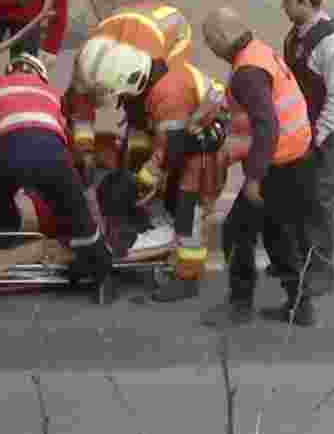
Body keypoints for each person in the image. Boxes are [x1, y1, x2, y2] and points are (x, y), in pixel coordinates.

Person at [0, 53, 112, 310]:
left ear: (9, 73)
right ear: (41, 76)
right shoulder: (52, 95)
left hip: (9, 155)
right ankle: (102, 276)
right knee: (78, 218)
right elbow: (64, 142)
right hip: (54, 157)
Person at [199, 7, 315, 328]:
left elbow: (266, 126)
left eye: (210, 41)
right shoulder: (259, 52)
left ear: (223, 38)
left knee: (236, 231)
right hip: (296, 157)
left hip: (277, 165)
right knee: (277, 235)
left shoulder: (247, 72)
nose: (210, 48)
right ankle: (300, 305)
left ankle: (240, 305)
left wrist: (254, 178)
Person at [89, 47, 230, 302]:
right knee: (180, 206)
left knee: (190, 213)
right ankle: (179, 256)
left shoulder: (168, 95)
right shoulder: (164, 77)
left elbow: (171, 147)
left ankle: (187, 279)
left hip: (204, 151)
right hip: (197, 140)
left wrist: (148, 179)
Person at [278, 0, 334, 301]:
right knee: (298, 193)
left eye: (288, 2)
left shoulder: (333, 44)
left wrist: (317, 136)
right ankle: (299, 257)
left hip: (329, 132)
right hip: (305, 129)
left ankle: (322, 271)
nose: (283, 7)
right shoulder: (296, 35)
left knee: (321, 200)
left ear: (307, 4)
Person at [63, 0, 192, 171]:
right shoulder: (86, 61)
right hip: (130, 20)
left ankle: (141, 159)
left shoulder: (148, 61)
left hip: (174, 32)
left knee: (148, 110)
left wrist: (150, 165)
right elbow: (80, 109)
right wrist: (84, 148)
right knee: (76, 102)